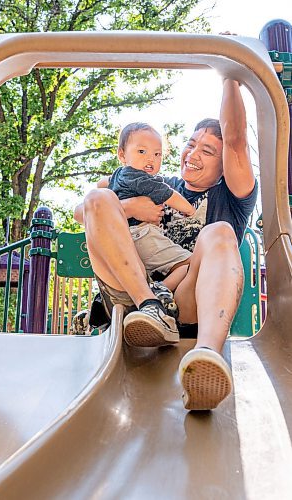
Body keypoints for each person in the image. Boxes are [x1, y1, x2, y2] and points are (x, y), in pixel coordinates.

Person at [74, 79, 258, 410]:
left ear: (223, 165)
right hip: (130, 292)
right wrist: (131, 207)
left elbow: (235, 141)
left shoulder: (230, 198)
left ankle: (206, 357)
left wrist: (230, 73)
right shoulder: (156, 184)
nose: (193, 154)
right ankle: (150, 306)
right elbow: (86, 210)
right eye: (191, 144)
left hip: (184, 301)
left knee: (219, 232)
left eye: (207, 150)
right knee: (100, 197)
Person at [101, 121, 196, 299]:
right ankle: (158, 292)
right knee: (191, 264)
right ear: (122, 155)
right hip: (141, 235)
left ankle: (152, 289)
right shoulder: (138, 177)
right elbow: (168, 194)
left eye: (157, 154)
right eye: (142, 151)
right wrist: (189, 210)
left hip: (125, 240)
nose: (150, 158)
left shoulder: (117, 176)